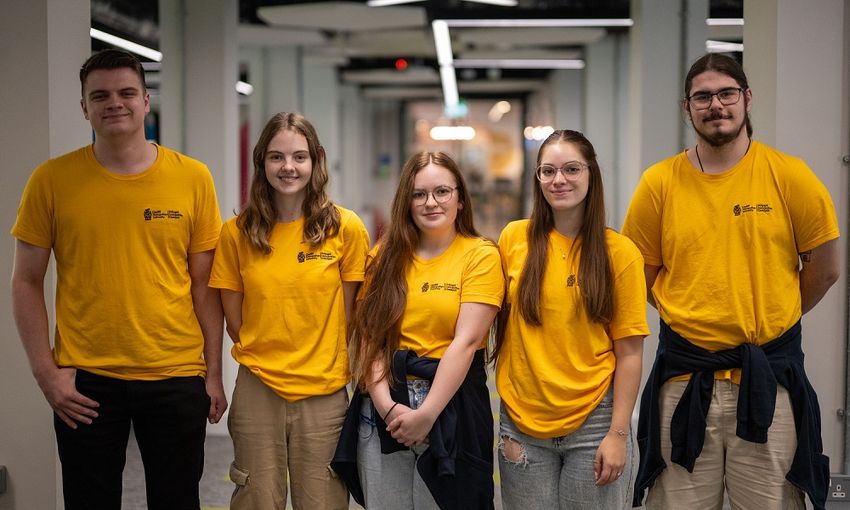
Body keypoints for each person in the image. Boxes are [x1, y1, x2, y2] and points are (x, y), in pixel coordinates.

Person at [10, 49, 226, 510]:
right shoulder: (51, 180)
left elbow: (204, 284)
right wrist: (46, 373)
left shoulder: (192, 178)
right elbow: (26, 280)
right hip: (87, 381)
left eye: (127, 92)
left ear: (146, 101)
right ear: (84, 107)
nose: (115, 103)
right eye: (100, 95)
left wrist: (213, 374)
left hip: (175, 373)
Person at [623, 53, 840, 510]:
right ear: (687, 108)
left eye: (726, 94)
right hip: (683, 383)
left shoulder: (788, 175)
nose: (715, 105)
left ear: (746, 99)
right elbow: (638, 275)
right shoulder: (659, 183)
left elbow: (826, 266)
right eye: (702, 97)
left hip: (768, 383)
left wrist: (774, 312)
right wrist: (692, 315)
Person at [209, 112, 369, 509]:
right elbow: (235, 321)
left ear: (317, 159)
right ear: (262, 161)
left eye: (299, 157)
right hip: (258, 388)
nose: (288, 167)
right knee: (256, 498)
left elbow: (351, 319)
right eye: (277, 157)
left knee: (323, 501)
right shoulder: (236, 234)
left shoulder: (345, 229)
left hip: (324, 394)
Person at [331, 151, 504, 509]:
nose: (430, 202)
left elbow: (466, 341)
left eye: (442, 192)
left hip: (451, 405)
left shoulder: (480, 255)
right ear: (405, 201)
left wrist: (426, 414)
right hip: (384, 411)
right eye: (419, 194)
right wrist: (387, 408)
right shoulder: (383, 257)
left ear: (459, 198)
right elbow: (370, 339)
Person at [493, 130, 647, 510]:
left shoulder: (620, 253)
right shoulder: (514, 239)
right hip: (521, 422)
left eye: (571, 169)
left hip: (595, 422)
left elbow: (629, 353)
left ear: (591, 173)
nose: (559, 179)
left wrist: (619, 434)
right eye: (548, 171)